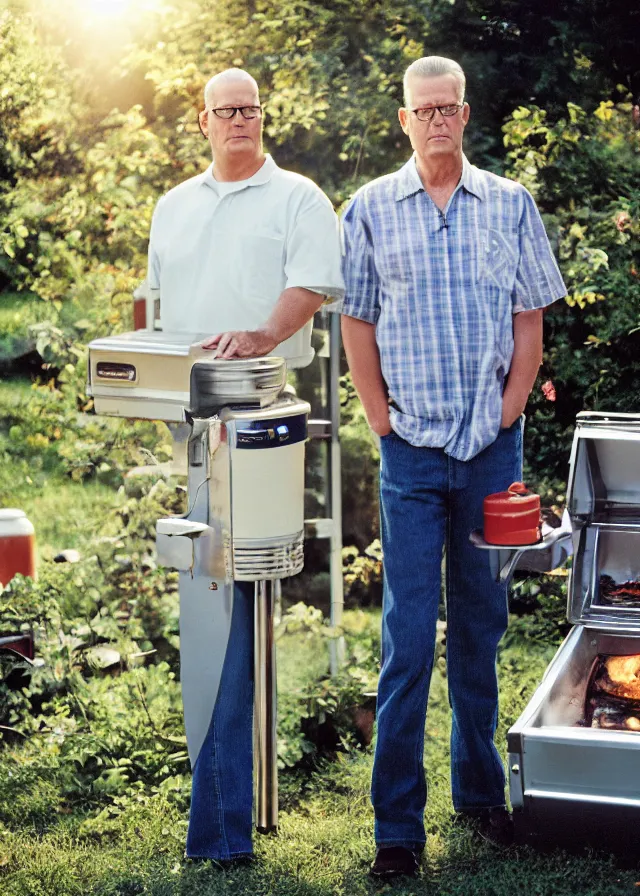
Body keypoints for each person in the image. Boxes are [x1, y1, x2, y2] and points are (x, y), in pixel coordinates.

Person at [340, 56, 566, 879]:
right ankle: (397, 829)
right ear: (404, 120)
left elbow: (530, 318)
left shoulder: (509, 204)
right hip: (408, 453)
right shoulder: (367, 209)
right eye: (422, 108)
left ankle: (479, 799)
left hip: (489, 454)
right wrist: (378, 417)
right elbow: (357, 325)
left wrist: (506, 413)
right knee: (407, 639)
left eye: (449, 107)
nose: (436, 119)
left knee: (479, 629)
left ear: (466, 115)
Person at [147, 68, 344, 862]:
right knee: (209, 602)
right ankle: (232, 810)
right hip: (187, 420)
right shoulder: (174, 206)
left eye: (250, 109)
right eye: (225, 110)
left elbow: (313, 285)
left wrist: (262, 335)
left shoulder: (298, 197)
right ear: (203, 121)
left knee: (231, 605)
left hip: (260, 409)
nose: (239, 120)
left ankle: (221, 828)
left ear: (263, 117)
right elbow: (155, 306)